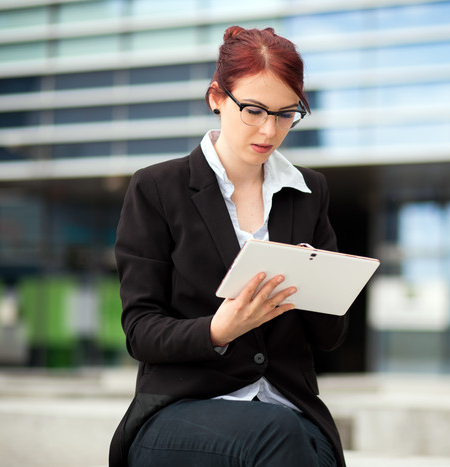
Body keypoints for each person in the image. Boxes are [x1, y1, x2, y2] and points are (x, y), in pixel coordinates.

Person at [108, 26, 348, 467]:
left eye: (285, 114)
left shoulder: (309, 191)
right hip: (180, 408)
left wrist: (315, 284)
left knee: (309, 447)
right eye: (254, 110)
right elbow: (140, 331)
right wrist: (219, 329)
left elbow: (331, 338)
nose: (269, 129)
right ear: (216, 97)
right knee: (279, 437)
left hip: (290, 409)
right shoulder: (158, 188)